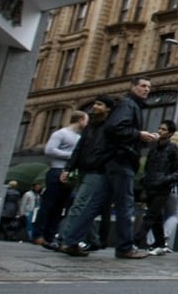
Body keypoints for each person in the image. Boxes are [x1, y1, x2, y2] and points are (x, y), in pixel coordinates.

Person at [61, 81, 155, 260]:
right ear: (133, 87)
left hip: (111, 161)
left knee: (94, 204)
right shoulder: (129, 104)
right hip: (121, 161)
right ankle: (125, 248)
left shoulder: (127, 105)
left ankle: (71, 241)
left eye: (149, 87)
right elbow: (115, 128)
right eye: (143, 86)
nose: (146, 89)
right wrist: (139, 135)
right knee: (125, 204)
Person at [57, 95, 115, 253]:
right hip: (83, 169)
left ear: (108, 108)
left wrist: (100, 162)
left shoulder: (110, 126)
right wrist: (68, 168)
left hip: (97, 171)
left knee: (79, 205)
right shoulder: (91, 126)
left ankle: (66, 240)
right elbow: (79, 148)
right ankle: (94, 240)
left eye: (99, 104)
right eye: (95, 104)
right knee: (85, 207)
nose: (95, 107)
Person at [31, 111, 88, 248]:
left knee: (59, 207)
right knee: (48, 204)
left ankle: (49, 236)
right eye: (86, 120)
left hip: (70, 173)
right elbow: (49, 150)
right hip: (56, 170)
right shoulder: (61, 134)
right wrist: (71, 156)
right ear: (80, 120)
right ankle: (38, 235)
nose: (87, 124)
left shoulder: (79, 137)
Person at [135, 119, 178, 255]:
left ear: (170, 133)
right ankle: (160, 244)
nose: (159, 131)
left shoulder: (173, 149)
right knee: (156, 217)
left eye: (163, 129)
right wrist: (145, 179)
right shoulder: (154, 148)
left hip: (163, 188)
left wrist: (166, 180)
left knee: (150, 215)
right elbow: (148, 166)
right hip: (151, 186)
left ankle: (135, 242)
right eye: (159, 128)